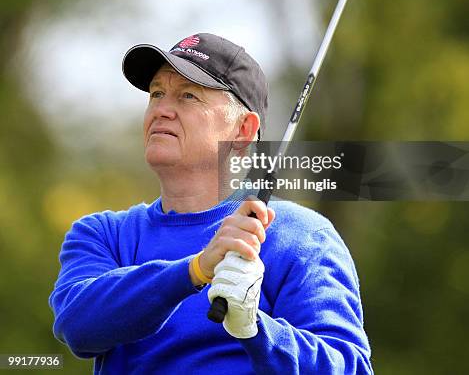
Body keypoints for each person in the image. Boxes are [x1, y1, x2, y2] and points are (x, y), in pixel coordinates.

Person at [49, 33, 373, 374]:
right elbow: (78, 326)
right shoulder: (104, 234)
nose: (161, 109)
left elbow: (347, 366)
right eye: (156, 93)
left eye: (188, 96)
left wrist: (256, 330)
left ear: (243, 130)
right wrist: (196, 270)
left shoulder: (303, 236)